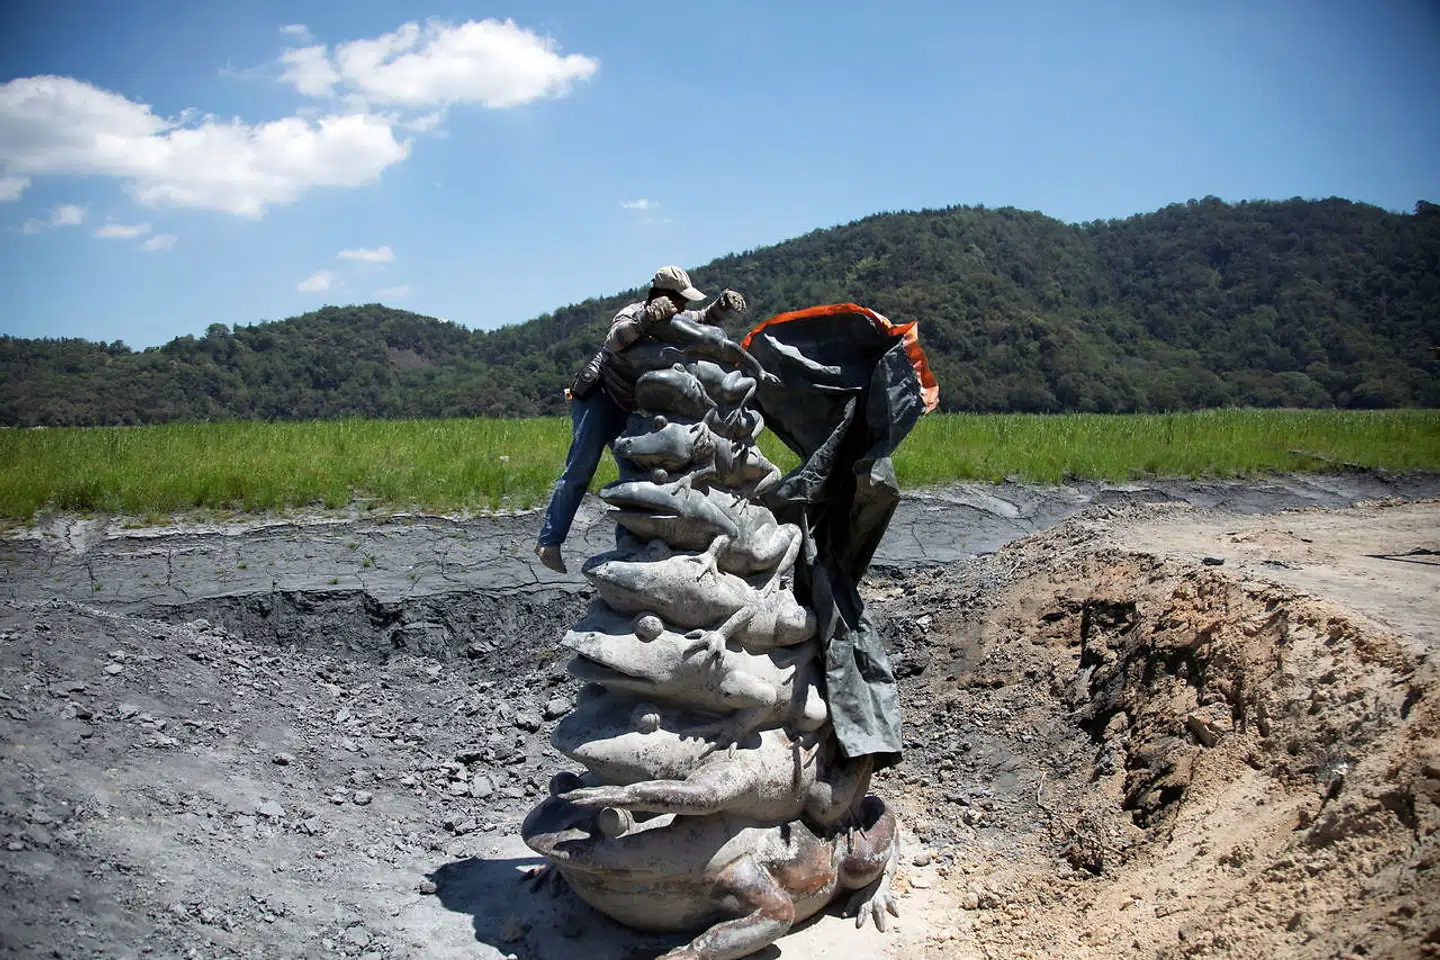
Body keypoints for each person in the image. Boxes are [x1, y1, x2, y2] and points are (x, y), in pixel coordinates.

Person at [534, 266, 751, 573]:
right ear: (664, 295)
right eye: (680, 300)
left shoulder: (676, 320)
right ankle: (549, 542)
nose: (684, 307)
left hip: (627, 408)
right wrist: (647, 317)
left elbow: (702, 322)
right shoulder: (633, 313)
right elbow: (617, 339)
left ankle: (629, 544)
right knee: (581, 466)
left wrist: (722, 305)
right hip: (599, 396)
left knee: (634, 474)